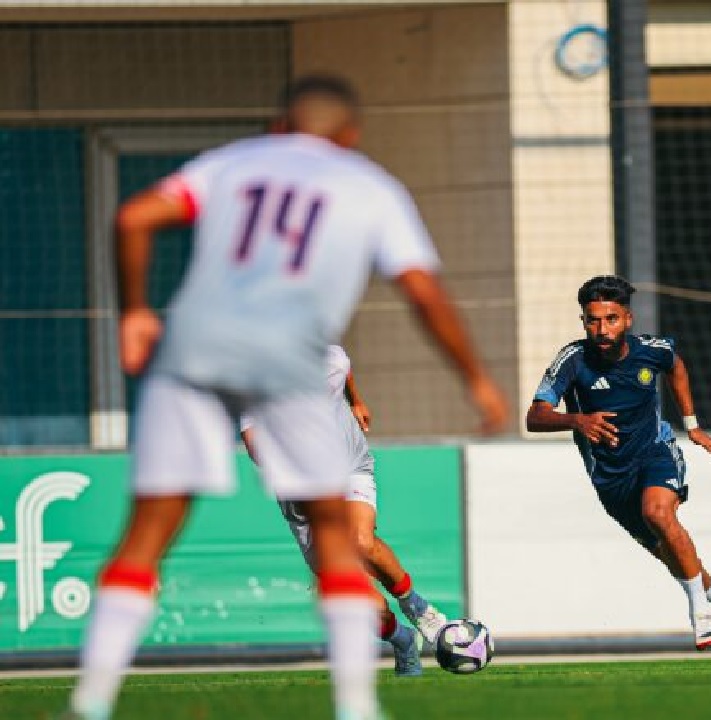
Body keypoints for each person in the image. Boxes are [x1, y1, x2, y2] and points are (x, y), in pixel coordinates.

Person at [66, 74, 508, 720]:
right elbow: (423, 290)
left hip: (192, 344)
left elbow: (133, 216)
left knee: (146, 532)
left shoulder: (230, 163)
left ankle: (91, 700)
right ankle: (357, 706)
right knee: (335, 535)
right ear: (349, 136)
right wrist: (475, 377)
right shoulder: (367, 185)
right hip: (286, 354)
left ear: (278, 126)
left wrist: (133, 312)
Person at [525, 275, 711, 656]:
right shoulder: (572, 360)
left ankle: (700, 613)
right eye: (593, 320)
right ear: (584, 321)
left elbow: (676, 367)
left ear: (627, 319)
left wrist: (692, 426)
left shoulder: (654, 350)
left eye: (611, 319)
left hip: (655, 451)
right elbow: (535, 416)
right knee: (670, 552)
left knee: (659, 513)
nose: (602, 329)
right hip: (610, 479)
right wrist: (577, 420)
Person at [240, 345, 449, 677]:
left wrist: (356, 401)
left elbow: (343, 368)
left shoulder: (326, 352)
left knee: (361, 540)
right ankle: (402, 640)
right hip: (300, 488)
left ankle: (418, 608)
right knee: (349, 588)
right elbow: (253, 442)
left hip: (349, 463)